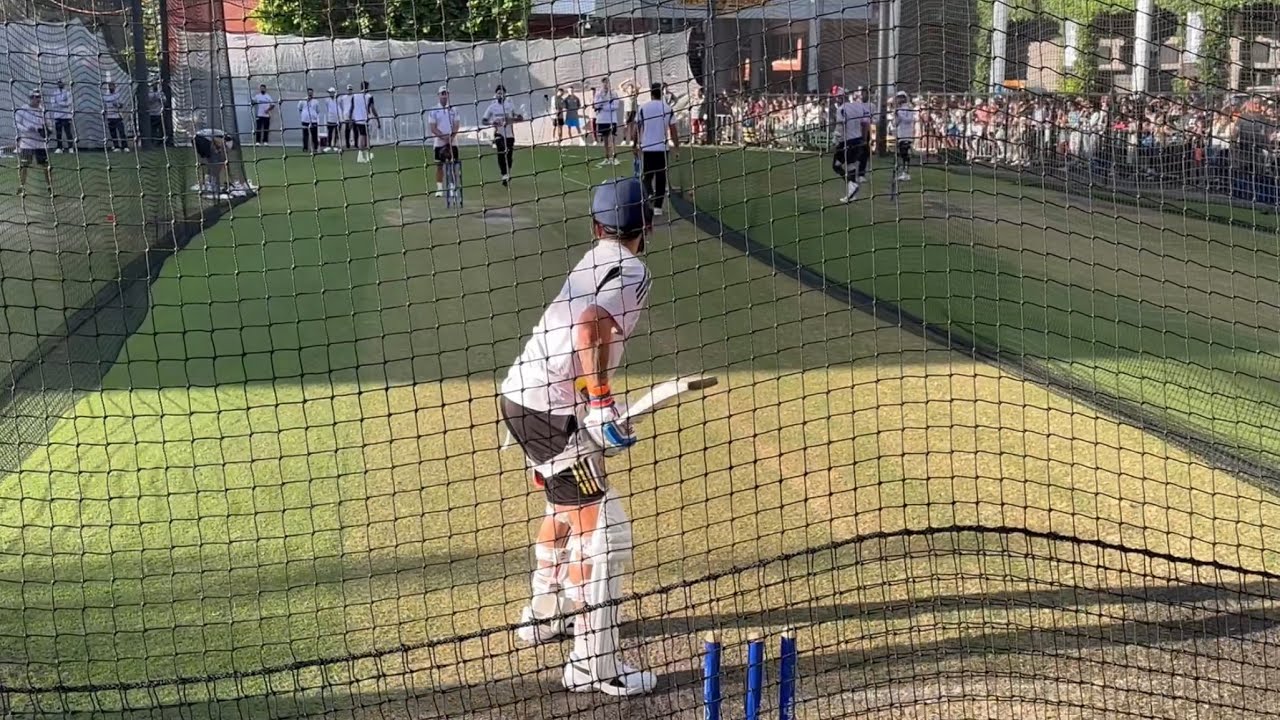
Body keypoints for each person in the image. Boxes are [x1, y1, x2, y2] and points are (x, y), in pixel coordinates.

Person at [500, 176, 656, 697]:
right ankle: (594, 664)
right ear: (647, 227)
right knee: (607, 533)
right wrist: (601, 402)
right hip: (554, 410)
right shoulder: (632, 268)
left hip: (522, 400)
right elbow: (590, 326)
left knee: (564, 510)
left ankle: (543, 615)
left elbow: (583, 328)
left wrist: (589, 402)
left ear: (597, 226)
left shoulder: (593, 258)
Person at [633, 82, 679, 216]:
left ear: (651, 93)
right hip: (662, 148)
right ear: (661, 92)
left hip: (647, 147)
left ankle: (649, 195)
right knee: (661, 177)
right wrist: (676, 147)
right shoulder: (667, 108)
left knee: (647, 176)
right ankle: (658, 206)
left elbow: (637, 128)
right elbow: (673, 130)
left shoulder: (644, 107)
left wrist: (634, 144)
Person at [834, 88, 872, 202]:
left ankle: (852, 185)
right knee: (850, 164)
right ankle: (852, 191)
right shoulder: (858, 107)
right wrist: (864, 139)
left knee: (836, 165)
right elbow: (865, 124)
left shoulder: (841, 109)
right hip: (858, 140)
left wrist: (836, 140)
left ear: (841, 97)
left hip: (846, 140)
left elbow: (840, 126)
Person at [483, 85, 523, 186]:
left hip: (509, 135)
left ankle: (507, 172)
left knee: (508, 156)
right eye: (498, 93)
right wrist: (493, 122)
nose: (500, 95)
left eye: (502, 93)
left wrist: (510, 120)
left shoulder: (510, 105)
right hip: (498, 134)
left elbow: (520, 118)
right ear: (495, 95)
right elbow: (484, 120)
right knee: (501, 153)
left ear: (505, 94)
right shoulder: (492, 107)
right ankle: (504, 175)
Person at [15, 90, 51, 193]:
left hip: (40, 143)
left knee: (45, 165)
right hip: (27, 142)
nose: (38, 99)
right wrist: (27, 128)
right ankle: (22, 186)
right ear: (31, 98)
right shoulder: (23, 110)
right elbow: (17, 124)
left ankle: (49, 186)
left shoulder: (43, 111)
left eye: (39, 97)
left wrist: (46, 131)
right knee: (24, 165)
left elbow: (48, 124)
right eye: (36, 97)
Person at [427, 86, 460, 197]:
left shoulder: (454, 110)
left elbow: (456, 125)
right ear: (439, 95)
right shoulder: (433, 111)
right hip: (439, 142)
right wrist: (444, 137)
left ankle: (452, 188)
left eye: (446, 94)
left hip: (453, 141)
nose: (444, 96)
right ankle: (440, 189)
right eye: (442, 94)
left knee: (453, 165)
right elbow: (433, 128)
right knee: (439, 166)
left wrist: (451, 137)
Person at [593, 77, 622, 166]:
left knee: (612, 139)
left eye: (607, 83)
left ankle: (615, 158)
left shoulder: (613, 93)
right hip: (602, 120)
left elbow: (615, 106)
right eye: (604, 83)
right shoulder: (598, 94)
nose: (605, 85)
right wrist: (603, 102)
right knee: (605, 140)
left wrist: (603, 107)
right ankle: (607, 158)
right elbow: (596, 105)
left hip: (612, 120)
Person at [892, 91, 917, 182]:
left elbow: (909, 120)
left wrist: (899, 115)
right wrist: (895, 116)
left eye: (899, 98)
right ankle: (904, 172)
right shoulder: (898, 109)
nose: (898, 100)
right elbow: (895, 124)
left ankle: (906, 173)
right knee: (902, 154)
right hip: (900, 135)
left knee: (905, 153)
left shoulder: (908, 108)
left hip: (907, 134)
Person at [351, 81, 378, 163]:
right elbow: (372, 109)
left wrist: (350, 118)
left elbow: (351, 108)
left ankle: (365, 155)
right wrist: (377, 119)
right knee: (363, 136)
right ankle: (360, 156)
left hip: (357, 119)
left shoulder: (354, 96)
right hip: (365, 119)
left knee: (364, 136)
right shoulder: (369, 96)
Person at [49, 81, 74, 154]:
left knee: (68, 132)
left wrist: (59, 103)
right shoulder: (54, 93)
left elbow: (69, 103)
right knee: (58, 132)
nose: (60, 84)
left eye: (61, 83)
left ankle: (70, 147)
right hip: (57, 115)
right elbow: (53, 104)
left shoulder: (68, 93)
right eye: (59, 83)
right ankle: (59, 147)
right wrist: (63, 103)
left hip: (66, 116)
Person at [103, 82, 128, 152]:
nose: (111, 88)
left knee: (121, 132)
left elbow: (122, 105)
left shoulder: (118, 94)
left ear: (115, 87)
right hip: (110, 116)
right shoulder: (105, 95)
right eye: (110, 86)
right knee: (113, 133)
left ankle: (125, 146)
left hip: (118, 116)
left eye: (112, 86)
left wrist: (117, 105)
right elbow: (104, 106)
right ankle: (116, 146)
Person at [298, 88, 321, 153]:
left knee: (314, 135)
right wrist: (303, 115)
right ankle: (305, 148)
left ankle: (315, 148)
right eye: (309, 92)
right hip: (305, 120)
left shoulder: (316, 101)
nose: (310, 94)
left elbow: (318, 111)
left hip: (313, 121)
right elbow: (299, 109)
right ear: (307, 93)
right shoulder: (302, 101)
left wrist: (316, 117)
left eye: (311, 92)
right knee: (305, 135)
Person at [323, 88, 341, 152]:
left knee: (336, 133)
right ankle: (328, 146)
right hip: (330, 118)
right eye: (330, 92)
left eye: (332, 92)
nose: (330, 94)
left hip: (337, 119)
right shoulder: (327, 100)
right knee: (330, 133)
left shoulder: (338, 100)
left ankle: (335, 145)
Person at [339, 84, 355, 149]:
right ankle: (347, 144)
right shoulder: (343, 97)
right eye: (348, 89)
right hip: (346, 115)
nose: (349, 91)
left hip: (353, 115)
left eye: (350, 89)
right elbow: (340, 104)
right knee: (347, 130)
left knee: (355, 130)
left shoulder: (354, 96)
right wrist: (343, 111)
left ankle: (356, 143)